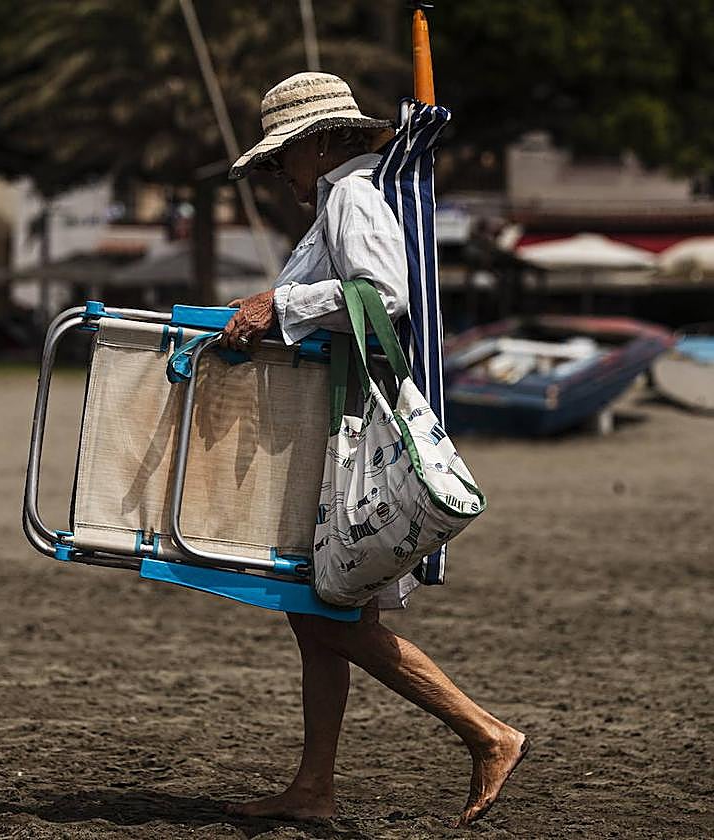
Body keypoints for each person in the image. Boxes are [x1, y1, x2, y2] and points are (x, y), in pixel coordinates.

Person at [221, 72, 528, 827]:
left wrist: (276, 304)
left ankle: (486, 732)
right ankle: (314, 786)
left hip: (353, 431)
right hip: (333, 429)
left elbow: (384, 293)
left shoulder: (352, 199)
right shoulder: (341, 199)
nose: (276, 175)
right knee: (315, 613)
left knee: (332, 619)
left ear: (317, 145)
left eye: (279, 159)